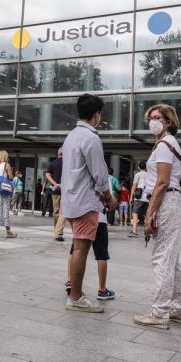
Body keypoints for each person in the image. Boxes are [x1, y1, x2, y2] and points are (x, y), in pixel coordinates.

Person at [134, 104, 181, 329]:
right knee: (173, 259)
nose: (153, 121)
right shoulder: (167, 143)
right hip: (171, 201)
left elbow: (162, 182)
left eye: (158, 117)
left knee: (162, 258)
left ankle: (160, 312)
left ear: (168, 121)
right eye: (150, 118)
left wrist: (149, 214)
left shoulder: (165, 145)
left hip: (167, 201)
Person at [63, 94, 115, 312]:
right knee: (81, 250)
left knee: (78, 247)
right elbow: (100, 173)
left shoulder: (71, 136)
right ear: (96, 114)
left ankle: (76, 293)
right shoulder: (91, 138)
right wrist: (108, 197)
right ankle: (75, 297)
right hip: (85, 201)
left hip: (71, 200)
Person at [65, 197, 116, 301]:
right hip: (99, 218)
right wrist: (110, 200)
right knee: (102, 255)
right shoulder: (100, 184)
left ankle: (70, 281)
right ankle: (102, 290)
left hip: (81, 217)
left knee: (75, 250)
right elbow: (105, 193)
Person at [45, 149, 65, 241]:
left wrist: (55, 184)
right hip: (65, 191)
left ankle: (56, 231)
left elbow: (47, 175)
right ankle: (58, 233)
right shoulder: (68, 163)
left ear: (58, 153)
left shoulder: (52, 163)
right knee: (63, 212)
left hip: (55, 190)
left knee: (56, 212)